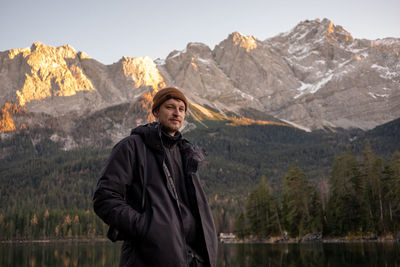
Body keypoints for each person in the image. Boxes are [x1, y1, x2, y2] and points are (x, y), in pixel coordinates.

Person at [93, 87, 217, 267]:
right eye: (170, 107)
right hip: (146, 258)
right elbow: (104, 198)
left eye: (181, 109)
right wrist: (146, 227)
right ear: (156, 112)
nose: (176, 113)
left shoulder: (187, 154)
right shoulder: (132, 147)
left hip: (191, 259)